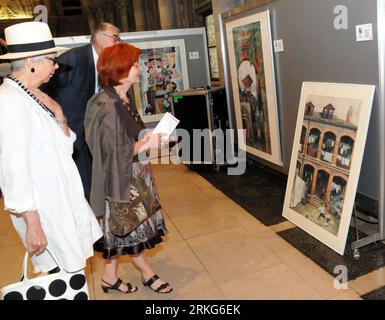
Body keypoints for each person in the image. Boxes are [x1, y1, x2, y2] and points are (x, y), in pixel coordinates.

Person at [0, 22, 102, 277]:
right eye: (51, 60)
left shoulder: (29, 94)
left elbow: (64, 147)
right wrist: (32, 223)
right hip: (45, 210)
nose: (56, 66)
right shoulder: (10, 99)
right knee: (62, 276)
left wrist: (58, 112)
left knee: (72, 273)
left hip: (60, 201)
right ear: (31, 61)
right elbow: (13, 165)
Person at [84, 42, 173, 294]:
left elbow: (130, 139)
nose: (139, 68)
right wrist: (148, 142)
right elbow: (114, 151)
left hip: (134, 174)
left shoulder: (122, 98)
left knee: (121, 232)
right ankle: (148, 274)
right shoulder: (106, 104)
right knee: (130, 230)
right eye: (134, 64)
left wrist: (148, 139)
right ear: (119, 68)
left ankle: (109, 277)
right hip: (121, 179)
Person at [42, 22, 121, 202]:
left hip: (93, 131)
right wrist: (59, 120)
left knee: (95, 179)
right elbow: (47, 91)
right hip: (72, 132)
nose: (118, 42)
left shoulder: (107, 63)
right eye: (115, 37)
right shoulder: (73, 59)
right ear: (99, 38)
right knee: (81, 183)